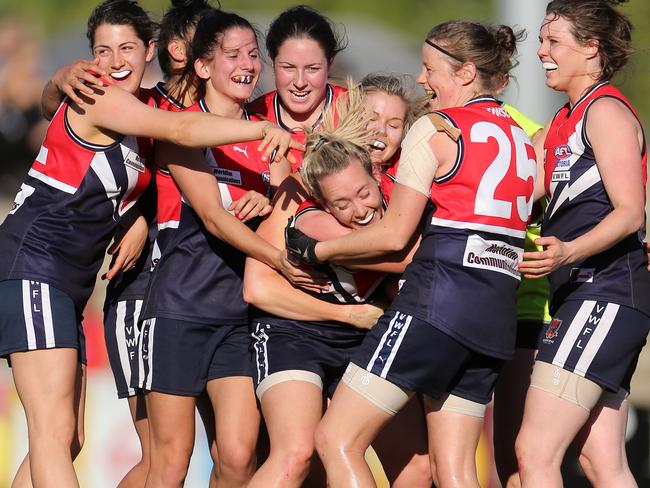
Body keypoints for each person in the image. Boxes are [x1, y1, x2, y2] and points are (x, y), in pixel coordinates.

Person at [0, 0, 300, 485]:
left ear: (150, 51)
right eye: (102, 50)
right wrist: (265, 128)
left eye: (126, 48)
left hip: (66, 283)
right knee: (54, 433)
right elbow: (181, 128)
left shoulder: (139, 107)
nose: (114, 60)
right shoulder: (102, 96)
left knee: (64, 440)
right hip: (36, 263)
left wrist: (138, 217)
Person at [286, 20, 535, 487]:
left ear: (464, 74)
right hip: (495, 316)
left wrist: (317, 248)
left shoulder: (436, 127)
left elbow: (394, 237)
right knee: (455, 467)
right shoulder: (521, 137)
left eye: (428, 69)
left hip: (437, 306)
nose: (421, 81)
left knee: (336, 441)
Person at [133, 10, 303, 488]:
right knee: (170, 461)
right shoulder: (183, 128)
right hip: (178, 312)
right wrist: (279, 263)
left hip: (238, 316)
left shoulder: (268, 133)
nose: (247, 64)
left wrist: (270, 198)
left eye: (253, 54)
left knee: (238, 454)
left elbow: (290, 213)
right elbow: (211, 217)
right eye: (233, 55)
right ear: (203, 67)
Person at [244, 81, 430, 488]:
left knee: (417, 465)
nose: (381, 132)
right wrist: (345, 312)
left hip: (364, 333)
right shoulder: (308, 184)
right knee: (296, 455)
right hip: (294, 333)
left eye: (394, 123)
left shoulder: (410, 186)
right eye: (371, 119)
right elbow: (256, 288)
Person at [516, 1, 649, 486]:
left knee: (534, 454)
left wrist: (570, 251)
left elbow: (631, 211)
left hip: (605, 293)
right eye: (541, 41)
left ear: (591, 48)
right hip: (588, 295)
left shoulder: (606, 110)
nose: (541, 53)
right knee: (603, 464)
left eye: (554, 42)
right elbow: (517, 193)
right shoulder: (561, 121)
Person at [248, 5, 347, 171]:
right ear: (272, 61)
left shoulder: (356, 111)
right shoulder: (251, 117)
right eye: (288, 67)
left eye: (312, 68)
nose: (300, 82)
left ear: (330, 64)